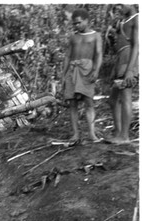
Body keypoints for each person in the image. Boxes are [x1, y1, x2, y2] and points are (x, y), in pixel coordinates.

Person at [62, 8, 103, 144]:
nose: (76, 26)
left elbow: (98, 54)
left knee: (89, 102)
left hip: (87, 70)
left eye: (78, 23)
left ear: (86, 21)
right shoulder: (73, 37)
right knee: (72, 103)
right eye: (74, 24)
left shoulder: (96, 36)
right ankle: (75, 134)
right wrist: (64, 74)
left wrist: (96, 71)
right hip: (73, 71)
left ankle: (91, 134)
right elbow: (67, 56)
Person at [107, 4, 138, 145]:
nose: (119, 7)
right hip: (121, 61)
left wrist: (130, 70)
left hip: (128, 62)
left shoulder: (136, 19)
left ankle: (124, 136)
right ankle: (119, 132)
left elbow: (136, 45)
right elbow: (119, 45)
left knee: (125, 97)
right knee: (113, 100)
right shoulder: (124, 21)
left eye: (122, 3)